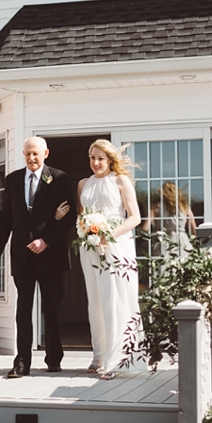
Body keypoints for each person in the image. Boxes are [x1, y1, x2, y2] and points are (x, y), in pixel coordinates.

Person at [0, 137, 76, 378]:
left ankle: (54, 359)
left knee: (52, 309)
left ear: (45, 153)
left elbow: (68, 218)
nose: (31, 158)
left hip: (51, 255)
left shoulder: (59, 179)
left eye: (35, 153)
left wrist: (45, 240)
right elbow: (6, 217)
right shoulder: (14, 179)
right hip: (23, 256)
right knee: (23, 310)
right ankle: (22, 362)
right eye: (27, 154)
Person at [77, 140, 143, 380]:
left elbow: (135, 217)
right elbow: (81, 217)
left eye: (100, 158)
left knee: (113, 300)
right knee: (95, 302)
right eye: (92, 158)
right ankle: (99, 356)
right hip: (90, 249)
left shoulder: (120, 180)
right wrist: (87, 233)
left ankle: (116, 360)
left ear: (110, 159)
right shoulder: (83, 184)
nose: (95, 163)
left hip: (116, 247)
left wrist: (108, 235)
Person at [142, 181, 197, 258]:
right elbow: (194, 232)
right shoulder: (185, 208)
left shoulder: (155, 208)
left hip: (163, 241)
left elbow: (144, 229)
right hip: (182, 241)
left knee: (163, 266)